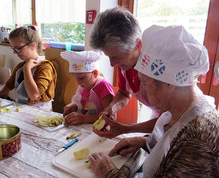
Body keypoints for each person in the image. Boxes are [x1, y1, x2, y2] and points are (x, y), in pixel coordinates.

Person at [88, 25, 219, 177]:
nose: (141, 92)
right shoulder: (181, 112)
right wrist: (145, 142)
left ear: (168, 84)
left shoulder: (194, 142)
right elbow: (171, 148)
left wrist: (109, 173)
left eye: (144, 83)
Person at [89, 6, 159, 138]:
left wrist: (125, 129)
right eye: (108, 56)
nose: (112, 64)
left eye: (116, 57)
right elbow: (124, 93)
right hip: (159, 120)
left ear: (138, 45)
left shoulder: (157, 69)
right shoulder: (125, 65)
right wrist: (112, 108)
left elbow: (171, 120)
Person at [0, 26, 57, 111]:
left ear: (32, 45)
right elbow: (9, 85)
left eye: (18, 48)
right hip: (22, 108)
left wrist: (27, 70)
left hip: (40, 111)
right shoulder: (21, 66)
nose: (15, 52)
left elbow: (34, 95)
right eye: (13, 48)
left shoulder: (45, 67)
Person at [60, 50, 114, 125]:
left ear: (95, 73)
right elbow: (82, 105)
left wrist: (83, 118)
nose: (78, 82)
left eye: (81, 78)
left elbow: (109, 116)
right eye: (76, 78)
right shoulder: (84, 86)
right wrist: (75, 106)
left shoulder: (104, 87)